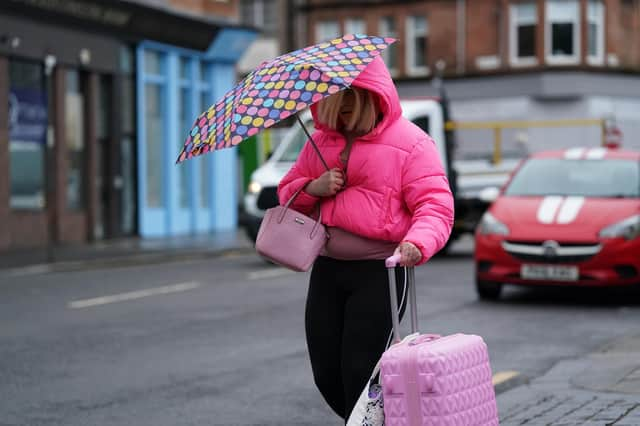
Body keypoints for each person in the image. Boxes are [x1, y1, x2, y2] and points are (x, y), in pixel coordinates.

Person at [277, 56, 454, 421]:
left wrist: (417, 243)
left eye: (346, 110)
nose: (339, 119)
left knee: (360, 371)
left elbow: (435, 205)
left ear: (369, 100)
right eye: (333, 110)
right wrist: (313, 187)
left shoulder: (412, 143)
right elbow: (286, 195)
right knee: (327, 373)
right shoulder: (319, 143)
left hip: (381, 272)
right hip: (327, 270)